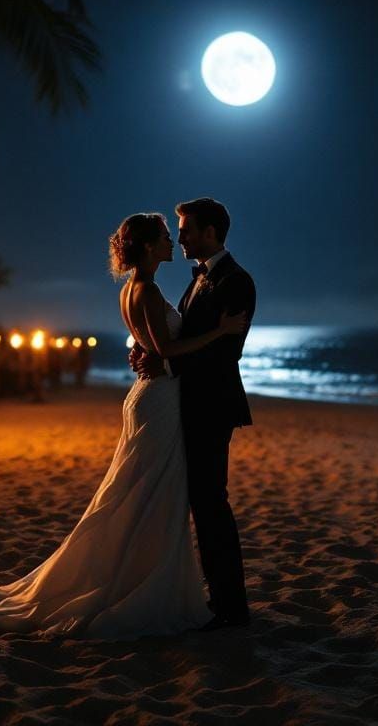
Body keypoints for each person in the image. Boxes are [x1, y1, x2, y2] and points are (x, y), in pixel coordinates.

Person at [0, 212, 246, 638]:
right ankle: (139, 579)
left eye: (175, 234)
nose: (171, 242)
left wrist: (153, 353)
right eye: (164, 236)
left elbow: (155, 347)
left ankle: (142, 572)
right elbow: (169, 349)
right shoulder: (148, 288)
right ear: (146, 247)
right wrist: (219, 332)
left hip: (150, 394)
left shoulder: (133, 288)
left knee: (139, 493)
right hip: (159, 400)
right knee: (147, 495)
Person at [132, 197, 256, 630]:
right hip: (185, 403)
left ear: (210, 232)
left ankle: (230, 607)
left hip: (212, 405)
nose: (179, 237)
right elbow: (174, 331)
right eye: (177, 231)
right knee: (199, 504)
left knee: (211, 503)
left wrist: (164, 361)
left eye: (186, 229)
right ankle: (215, 599)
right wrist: (148, 350)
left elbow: (227, 352)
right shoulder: (197, 279)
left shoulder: (236, 281)